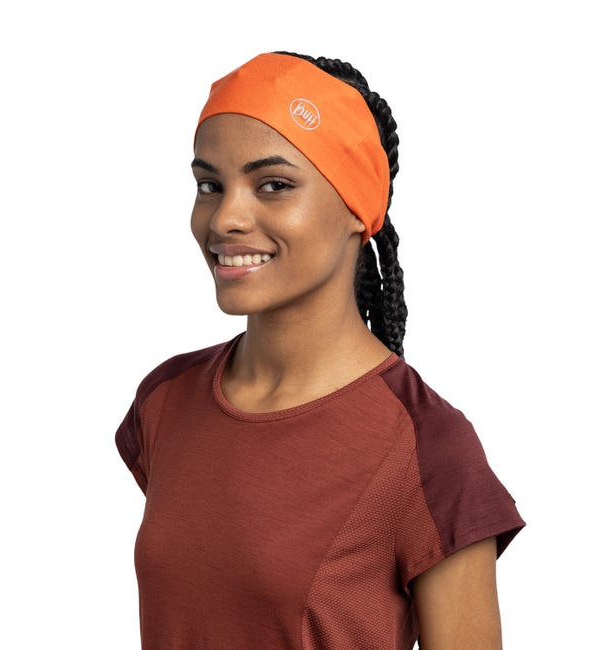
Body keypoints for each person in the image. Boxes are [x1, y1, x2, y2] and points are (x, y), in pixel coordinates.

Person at [115, 51, 525, 649]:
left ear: (357, 207)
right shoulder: (166, 399)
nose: (225, 217)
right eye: (210, 185)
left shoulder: (429, 447)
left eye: (274, 186)